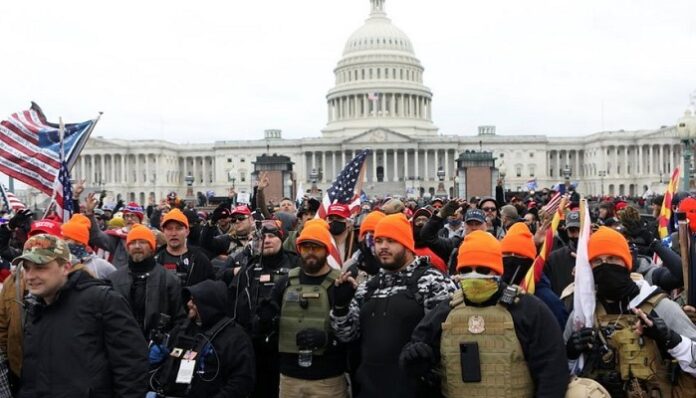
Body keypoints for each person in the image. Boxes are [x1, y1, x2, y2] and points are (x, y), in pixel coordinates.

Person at [400, 230, 569, 397]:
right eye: (466, 270)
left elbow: (553, 370)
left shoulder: (527, 309)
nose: (474, 275)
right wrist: (415, 358)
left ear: (497, 271)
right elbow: (415, 352)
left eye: (482, 269)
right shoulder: (445, 311)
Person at [331, 213, 456, 398]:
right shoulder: (367, 287)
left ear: (406, 244)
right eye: (379, 240)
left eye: (391, 241)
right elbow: (347, 335)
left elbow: (449, 339)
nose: (383, 247)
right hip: (370, 390)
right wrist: (341, 307)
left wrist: (427, 355)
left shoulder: (432, 281)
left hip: (417, 391)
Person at [564, 227, 696, 396]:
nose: (605, 266)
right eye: (597, 261)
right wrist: (570, 355)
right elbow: (557, 375)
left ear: (626, 263)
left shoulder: (661, 307)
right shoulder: (583, 314)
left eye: (612, 258)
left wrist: (672, 340)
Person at [16, 234, 148, 397]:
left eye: (40, 267)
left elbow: (132, 368)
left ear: (65, 267)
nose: (30, 276)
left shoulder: (102, 301)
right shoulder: (36, 307)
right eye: (27, 267)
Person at [256, 219, 349, 398]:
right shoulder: (285, 283)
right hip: (290, 378)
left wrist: (327, 339)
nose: (311, 253)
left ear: (327, 249)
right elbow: (264, 330)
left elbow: (352, 333)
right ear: (299, 250)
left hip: (327, 380)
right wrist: (264, 320)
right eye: (306, 247)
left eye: (317, 247)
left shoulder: (339, 284)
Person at [226, 220, 300, 398]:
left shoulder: (296, 264)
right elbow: (235, 306)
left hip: (288, 346)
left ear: (282, 238)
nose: (267, 240)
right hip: (256, 347)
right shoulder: (250, 268)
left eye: (272, 236)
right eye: (263, 236)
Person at [150, 280, 256, 397]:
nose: (189, 303)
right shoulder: (183, 329)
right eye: (189, 299)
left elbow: (242, 382)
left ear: (208, 304)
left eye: (194, 300)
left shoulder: (235, 338)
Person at [107, 225, 185, 338]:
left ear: (152, 247)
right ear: (128, 247)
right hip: (122, 348)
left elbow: (180, 319)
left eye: (143, 242)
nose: (137, 246)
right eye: (133, 243)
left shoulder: (169, 280)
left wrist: (167, 343)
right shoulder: (114, 280)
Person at [155, 208, 215, 287]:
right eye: (169, 229)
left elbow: (213, 287)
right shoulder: (155, 260)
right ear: (163, 231)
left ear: (187, 232)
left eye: (179, 228)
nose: (173, 233)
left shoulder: (200, 259)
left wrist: (198, 296)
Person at [86, 194, 146, 268]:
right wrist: (90, 214)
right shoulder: (117, 237)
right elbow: (97, 237)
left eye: (133, 216)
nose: (129, 219)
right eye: (127, 216)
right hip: (121, 276)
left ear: (140, 219)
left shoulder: (149, 236)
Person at [61, 214, 117, 279]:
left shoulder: (100, 265)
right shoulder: (58, 263)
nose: (62, 241)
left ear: (79, 241)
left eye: (66, 239)